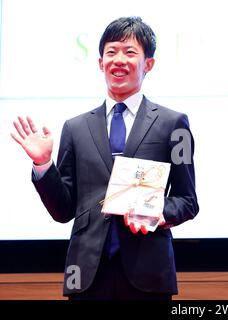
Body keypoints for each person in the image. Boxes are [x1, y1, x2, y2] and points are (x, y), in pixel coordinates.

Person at [11, 16, 199, 300]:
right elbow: (63, 210)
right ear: (100, 63)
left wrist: (156, 213)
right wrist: (43, 164)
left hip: (148, 274)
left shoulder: (173, 125)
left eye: (130, 52)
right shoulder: (75, 128)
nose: (119, 59)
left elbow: (187, 201)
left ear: (148, 64)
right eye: (111, 52)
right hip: (86, 275)